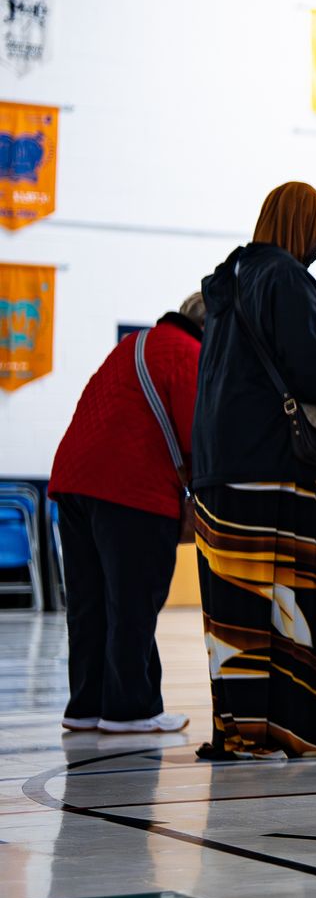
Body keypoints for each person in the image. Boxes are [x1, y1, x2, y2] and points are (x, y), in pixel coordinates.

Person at [192, 181, 316, 760]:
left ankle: (241, 732)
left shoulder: (225, 283)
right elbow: (314, 370)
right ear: (302, 225)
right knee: (294, 597)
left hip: (218, 469)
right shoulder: (285, 278)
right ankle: (298, 726)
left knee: (234, 608)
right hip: (276, 467)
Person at [48, 294, 205, 734]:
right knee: (133, 601)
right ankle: (130, 710)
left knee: (88, 601)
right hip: (132, 490)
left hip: (73, 479)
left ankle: (85, 706)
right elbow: (196, 435)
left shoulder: (134, 344)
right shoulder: (189, 354)